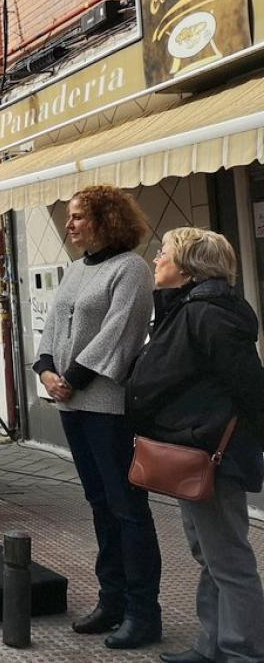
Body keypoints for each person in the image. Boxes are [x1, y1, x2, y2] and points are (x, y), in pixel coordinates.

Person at [126, 228, 264, 663]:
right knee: (208, 553)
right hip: (191, 450)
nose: (156, 259)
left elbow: (249, 385)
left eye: (164, 252)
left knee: (228, 559)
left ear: (186, 266)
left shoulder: (209, 313)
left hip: (211, 454)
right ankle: (212, 645)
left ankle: (245, 652)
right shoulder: (185, 308)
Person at [32, 185, 160, 648]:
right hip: (71, 404)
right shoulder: (72, 270)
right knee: (100, 506)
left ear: (107, 219)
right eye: (69, 216)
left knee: (127, 509)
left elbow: (120, 333)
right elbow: (50, 328)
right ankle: (112, 600)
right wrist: (46, 370)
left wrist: (74, 377)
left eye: (79, 216)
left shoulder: (131, 270)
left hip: (106, 407)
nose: (70, 224)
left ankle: (144, 612)